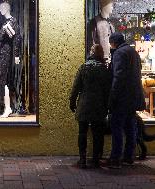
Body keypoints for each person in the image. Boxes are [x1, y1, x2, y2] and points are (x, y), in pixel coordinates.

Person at [108, 32, 146, 168]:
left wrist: (113, 96)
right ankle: (129, 156)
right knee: (130, 127)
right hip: (134, 97)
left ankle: (115, 158)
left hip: (122, 97)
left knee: (117, 127)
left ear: (114, 43)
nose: (110, 46)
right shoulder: (133, 52)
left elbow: (118, 77)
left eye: (110, 43)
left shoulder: (119, 53)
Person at [70, 44, 110, 168]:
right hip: (99, 106)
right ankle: (96, 159)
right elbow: (108, 90)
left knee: (82, 132)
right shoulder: (104, 69)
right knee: (98, 133)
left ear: (91, 53)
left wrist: (72, 102)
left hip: (84, 105)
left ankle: (82, 159)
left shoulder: (84, 67)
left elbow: (76, 87)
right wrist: (108, 106)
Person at [0, 2, 22, 118]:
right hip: (2, 54)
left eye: (2, 7)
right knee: (3, 81)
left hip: (7, 54)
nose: (0, 9)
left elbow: (17, 38)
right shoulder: (6, 22)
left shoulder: (12, 21)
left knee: (5, 81)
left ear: (7, 8)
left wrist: (16, 55)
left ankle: (8, 107)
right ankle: (7, 106)